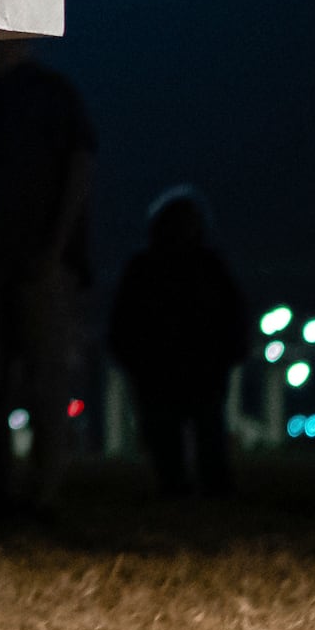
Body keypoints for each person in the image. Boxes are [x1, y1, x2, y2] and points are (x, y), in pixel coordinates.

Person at [0, 41, 94, 514]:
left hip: (31, 263)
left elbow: (79, 164)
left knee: (40, 376)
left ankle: (38, 490)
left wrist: (54, 249)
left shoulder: (42, 96)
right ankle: (6, 488)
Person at [103, 188, 248, 497]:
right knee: (184, 430)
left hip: (184, 364)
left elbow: (232, 311)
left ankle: (195, 485)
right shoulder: (191, 265)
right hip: (175, 364)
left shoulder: (156, 266)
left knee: (192, 429)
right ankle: (196, 485)